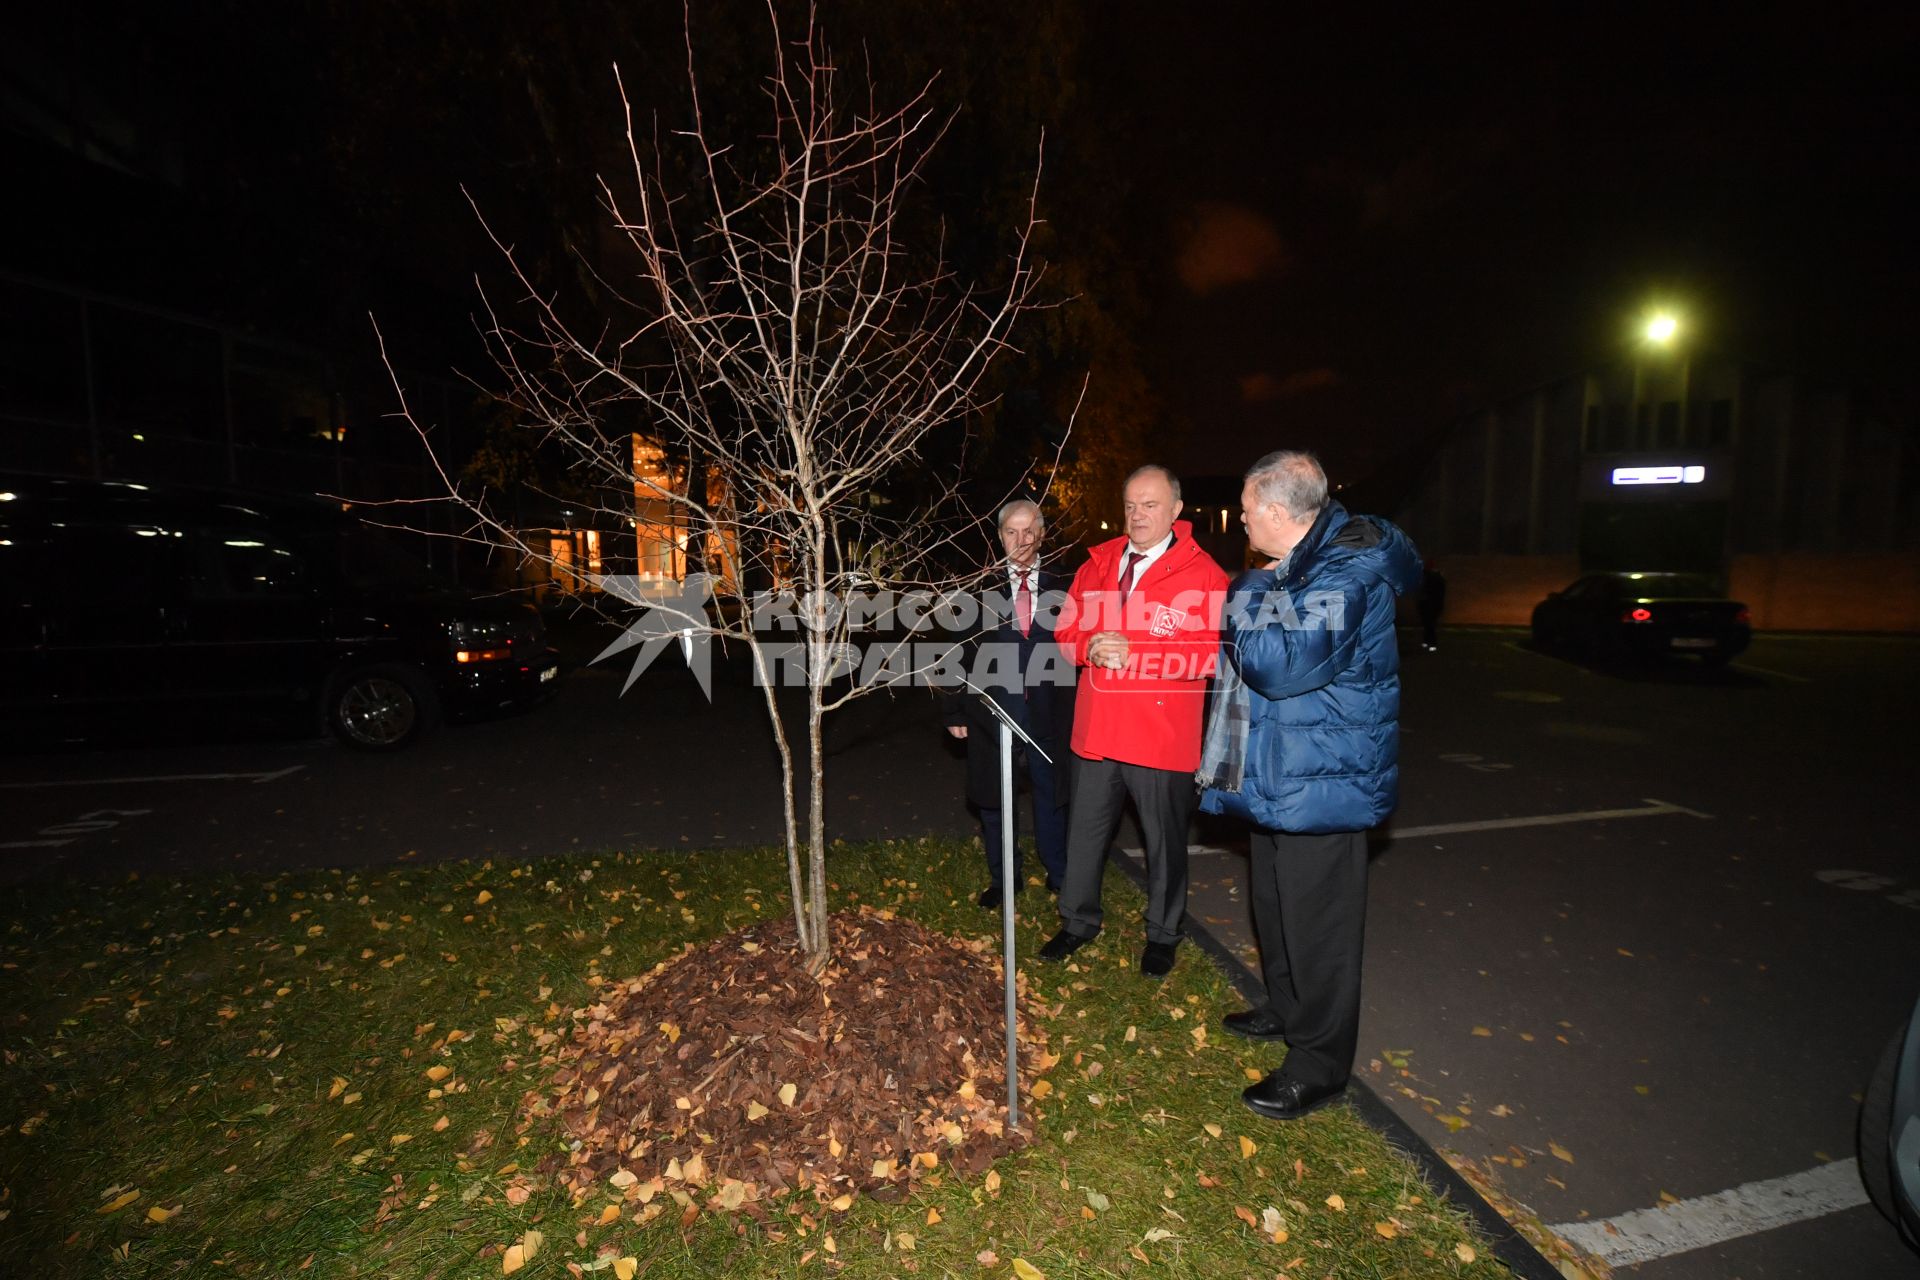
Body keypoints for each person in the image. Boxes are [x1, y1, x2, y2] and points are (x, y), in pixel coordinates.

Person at [1197, 450, 1420, 1120]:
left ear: (1276, 510)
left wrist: (1248, 591)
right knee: (1275, 906)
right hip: (1284, 772)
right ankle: (1288, 1011)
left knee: (1319, 930)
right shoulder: (1306, 563)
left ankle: (1319, 1064)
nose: (1239, 516)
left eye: (1245, 504)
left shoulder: (1341, 571)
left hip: (1324, 783)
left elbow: (1278, 665)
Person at [1040, 465, 1227, 978]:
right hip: (1097, 729)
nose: (1138, 515)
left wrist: (1135, 650)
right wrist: (1088, 648)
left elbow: (1207, 655)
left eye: (1150, 505)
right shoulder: (1097, 564)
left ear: (1175, 510)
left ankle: (1163, 934)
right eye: (1130, 505)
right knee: (1084, 834)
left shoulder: (1203, 573)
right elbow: (1065, 632)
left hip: (1160, 737)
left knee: (1164, 842)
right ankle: (1077, 922)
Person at [945, 499, 1076, 908]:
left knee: (1051, 797)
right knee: (994, 798)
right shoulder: (976, 586)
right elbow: (955, 651)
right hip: (992, 712)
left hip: (1049, 712)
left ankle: (1060, 874)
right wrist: (953, 710)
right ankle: (1005, 880)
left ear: (1041, 534)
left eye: (1028, 531)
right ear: (1000, 536)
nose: (1020, 540)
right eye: (1011, 532)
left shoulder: (1067, 583)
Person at [1418, 559, 1447, 651]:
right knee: (1429, 624)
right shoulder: (1436, 577)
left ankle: (1430, 642)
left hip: (1430, 603)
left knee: (1429, 624)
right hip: (1433, 603)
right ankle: (1429, 642)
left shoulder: (1428, 577)